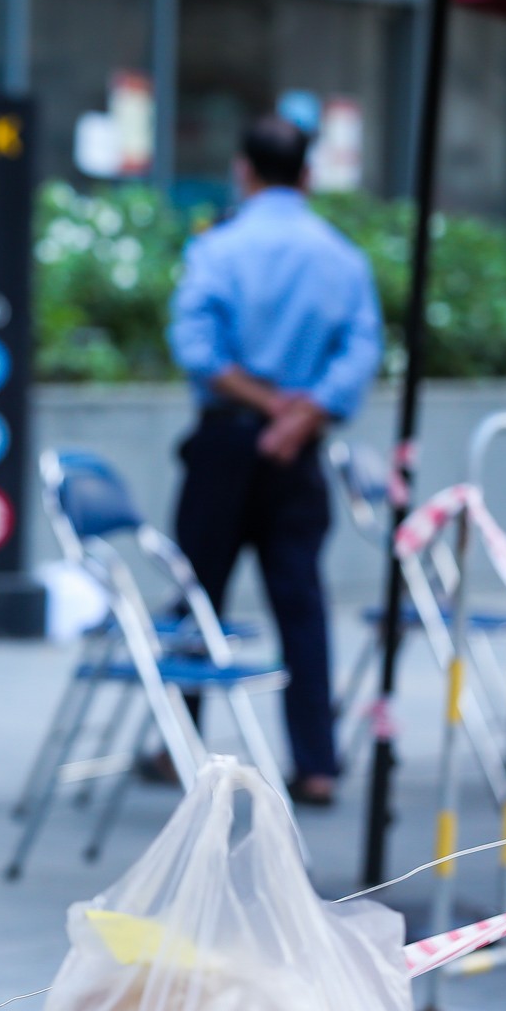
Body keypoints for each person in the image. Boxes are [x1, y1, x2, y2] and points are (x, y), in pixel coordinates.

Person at [158, 116, 383, 807]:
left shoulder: (219, 249)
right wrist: (300, 415)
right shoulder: (341, 257)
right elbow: (360, 352)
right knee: (301, 605)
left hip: (225, 441)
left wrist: (260, 403)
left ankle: (179, 749)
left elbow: (196, 345)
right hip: (299, 453)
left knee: (197, 597)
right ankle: (316, 763)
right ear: (308, 175)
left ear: (242, 170)